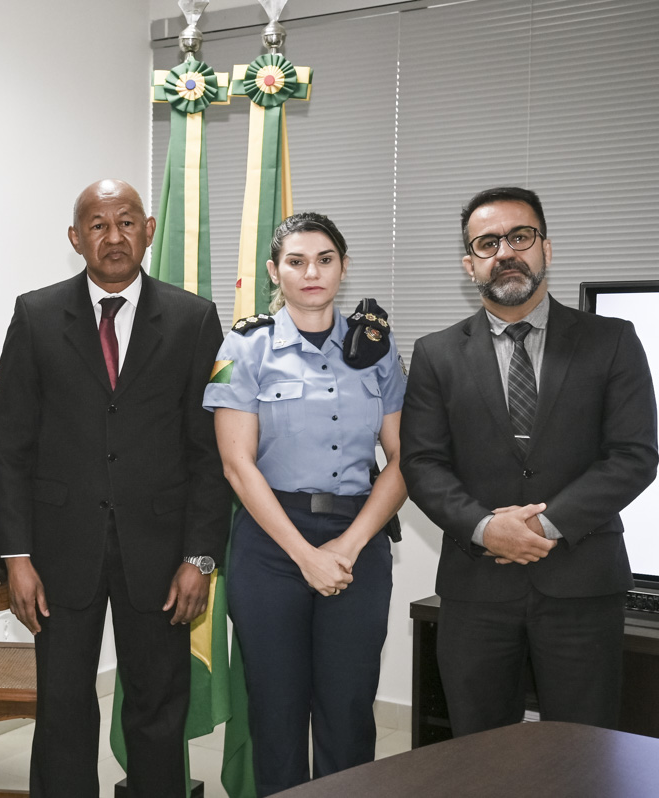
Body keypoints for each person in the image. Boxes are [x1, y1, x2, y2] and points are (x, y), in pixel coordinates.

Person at [0, 178, 230, 798]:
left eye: (126, 221)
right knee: (64, 710)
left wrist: (199, 558)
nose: (113, 236)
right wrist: (15, 556)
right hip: (58, 552)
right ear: (76, 238)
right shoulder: (36, 314)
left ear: (148, 230)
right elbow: (10, 446)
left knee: (158, 711)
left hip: (160, 553)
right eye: (97, 225)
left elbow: (208, 455)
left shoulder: (192, 318)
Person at [401, 186, 658, 736]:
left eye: (521, 237)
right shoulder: (435, 354)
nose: (506, 252)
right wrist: (486, 528)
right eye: (487, 243)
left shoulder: (612, 340)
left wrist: (542, 525)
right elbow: (422, 464)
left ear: (547, 247)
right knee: (479, 750)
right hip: (477, 589)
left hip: (584, 585)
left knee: (582, 750)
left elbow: (634, 455)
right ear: (470, 264)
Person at [203, 212, 407, 795]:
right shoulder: (244, 347)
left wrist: (346, 545)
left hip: (357, 539)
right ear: (275, 271)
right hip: (271, 543)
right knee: (276, 710)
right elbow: (237, 466)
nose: (311, 272)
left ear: (343, 268)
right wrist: (304, 554)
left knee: (347, 709)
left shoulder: (379, 349)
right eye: (295, 261)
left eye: (324, 259)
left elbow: (403, 459)